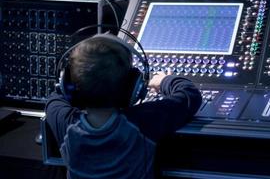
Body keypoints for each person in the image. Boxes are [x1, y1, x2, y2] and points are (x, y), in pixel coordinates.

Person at [45, 34, 202, 179]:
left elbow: (55, 97)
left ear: (69, 86)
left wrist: (67, 84)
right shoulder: (143, 121)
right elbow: (189, 95)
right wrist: (164, 81)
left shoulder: (65, 122)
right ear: (134, 87)